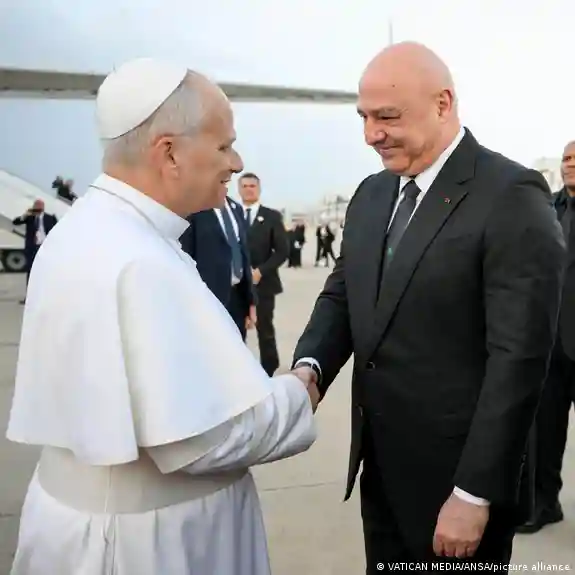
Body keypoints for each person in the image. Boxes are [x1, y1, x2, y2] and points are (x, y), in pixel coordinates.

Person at [7, 57, 319, 575]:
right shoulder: (138, 259)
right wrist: (298, 391)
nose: (236, 162)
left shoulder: (91, 230)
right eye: (223, 146)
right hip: (147, 546)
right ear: (169, 152)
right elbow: (204, 440)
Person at [292, 42, 565, 569]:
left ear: (443, 104)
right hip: (381, 469)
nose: (371, 134)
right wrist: (311, 369)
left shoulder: (510, 195)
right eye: (364, 117)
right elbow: (345, 291)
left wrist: (474, 493)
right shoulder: (373, 194)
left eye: (387, 116)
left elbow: (520, 359)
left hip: (456, 485)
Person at [518, 140, 575, 533]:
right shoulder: (547, 209)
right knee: (544, 433)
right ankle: (544, 504)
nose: (570, 164)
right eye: (566, 158)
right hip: (551, 342)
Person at [179, 194, 257, 341]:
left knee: (237, 348)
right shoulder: (193, 208)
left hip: (237, 298)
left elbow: (244, 255)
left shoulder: (236, 208)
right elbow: (185, 256)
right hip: (209, 297)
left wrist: (250, 301)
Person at [239, 172, 289, 376]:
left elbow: (283, 251)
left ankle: (270, 371)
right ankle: (239, 372)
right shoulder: (231, 214)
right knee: (234, 329)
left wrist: (261, 271)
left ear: (258, 189)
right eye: (244, 186)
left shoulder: (271, 217)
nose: (248, 190)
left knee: (265, 330)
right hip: (237, 284)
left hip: (264, 284)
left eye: (252, 186)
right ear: (239, 189)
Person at [11, 199, 58, 303]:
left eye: (39, 208)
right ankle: (29, 298)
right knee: (31, 273)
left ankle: (46, 296)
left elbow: (57, 232)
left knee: (46, 272)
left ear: (43, 208)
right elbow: (15, 222)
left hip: (45, 248)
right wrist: (25, 215)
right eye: (36, 208)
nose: (37, 210)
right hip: (32, 249)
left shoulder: (50, 218)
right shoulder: (29, 218)